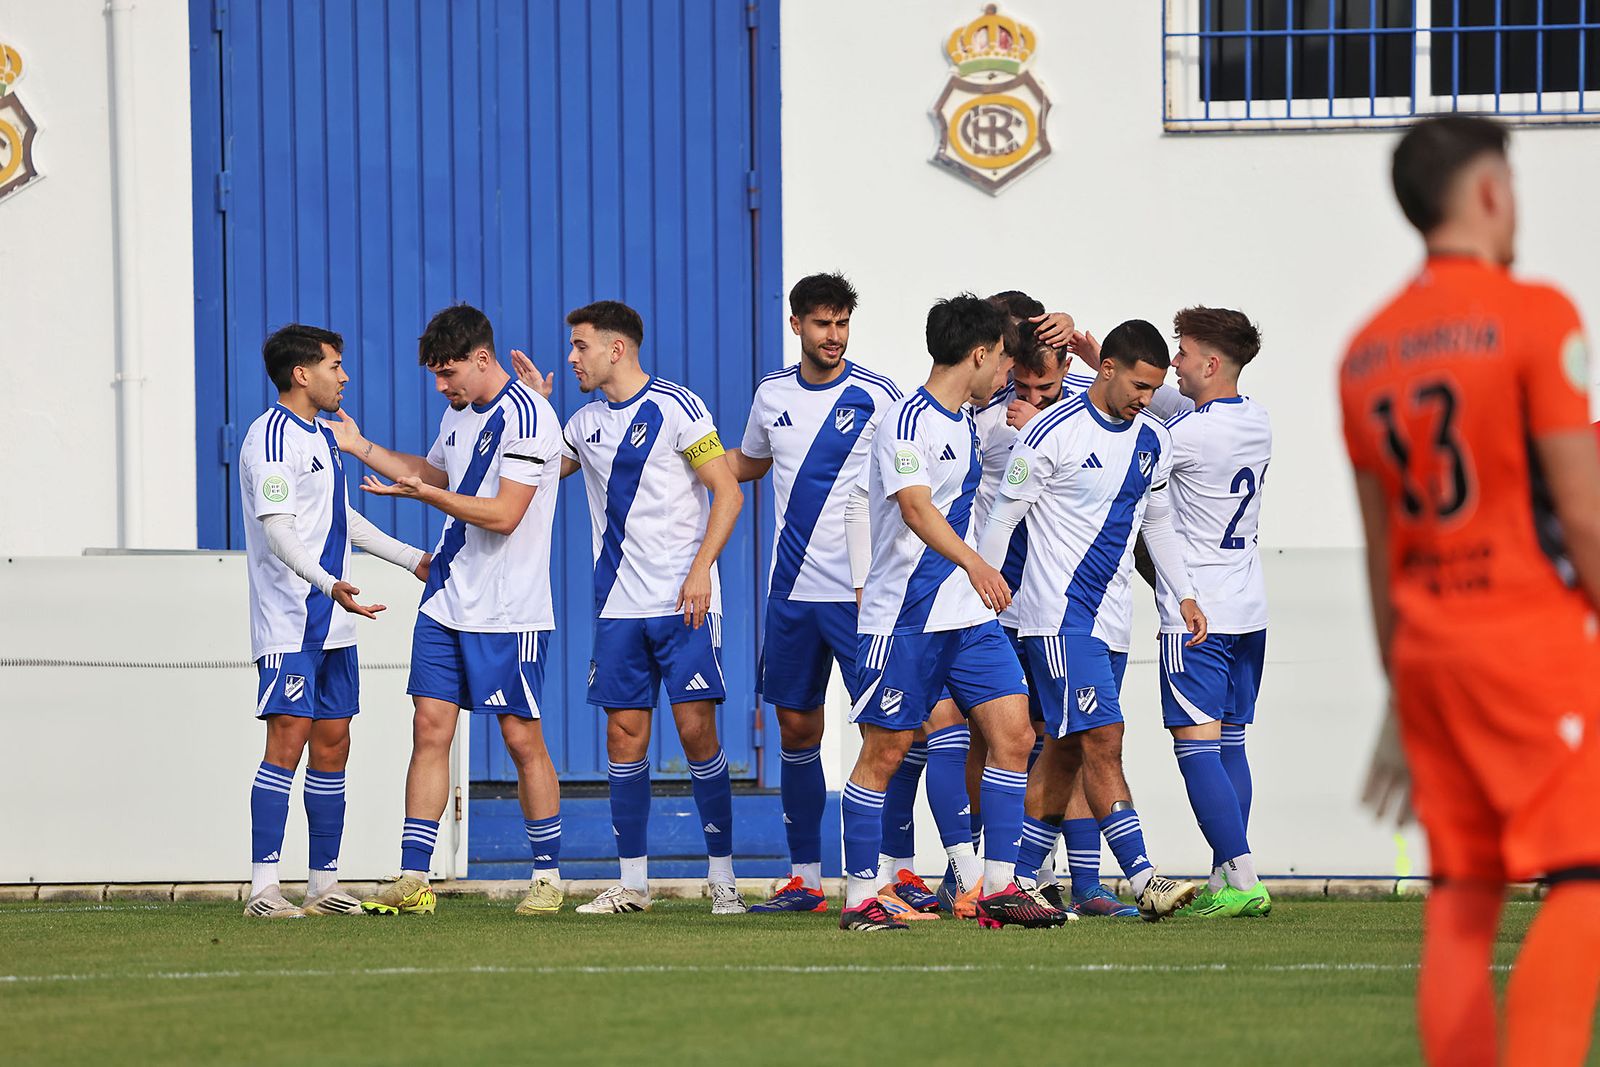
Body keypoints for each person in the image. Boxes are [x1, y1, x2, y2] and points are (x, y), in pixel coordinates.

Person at [1342, 115, 1600, 1067]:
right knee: (1587, 878)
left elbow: (1381, 552)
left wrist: (1399, 692)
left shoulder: (1363, 353)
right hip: (1530, 641)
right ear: (1490, 191)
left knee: (1462, 893)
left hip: (1428, 651)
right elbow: (1583, 514)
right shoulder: (1539, 315)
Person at [837, 293, 1069, 932]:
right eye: (1003, 359)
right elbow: (915, 507)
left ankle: (998, 886)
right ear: (978, 353)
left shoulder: (966, 420)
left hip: (966, 618)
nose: (1008, 373)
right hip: (905, 617)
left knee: (1016, 736)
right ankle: (860, 898)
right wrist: (976, 563)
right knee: (885, 754)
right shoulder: (905, 422)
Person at [331, 304, 566, 918]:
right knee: (429, 729)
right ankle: (413, 877)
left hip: (508, 611)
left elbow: (505, 515)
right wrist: (361, 448)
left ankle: (547, 876)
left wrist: (426, 493)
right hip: (446, 599)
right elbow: (431, 472)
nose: (441, 386)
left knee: (520, 739)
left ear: (482, 358)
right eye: (436, 375)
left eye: (448, 373)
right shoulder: (458, 414)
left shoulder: (531, 416)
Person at [978, 319, 1204, 922]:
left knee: (1067, 751)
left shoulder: (1154, 440)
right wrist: (986, 594)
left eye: (1154, 390)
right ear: (1106, 369)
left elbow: (1157, 523)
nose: (1145, 398)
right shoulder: (1048, 433)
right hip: (1056, 619)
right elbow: (1002, 518)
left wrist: (1183, 594)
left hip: (1111, 623)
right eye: (1138, 384)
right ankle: (1144, 877)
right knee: (1106, 736)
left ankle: (1018, 881)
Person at [556, 300, 748, 915]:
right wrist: (530, 409)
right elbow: (530, 480)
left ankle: (723, 880)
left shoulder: (677, 407)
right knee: (623, 737)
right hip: (617, 607)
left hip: (682, 600)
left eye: (580, 345)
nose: (572, 357)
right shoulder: (581, 424)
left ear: (616, 349)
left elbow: (726, 492)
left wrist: (699, 573)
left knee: (697, 734)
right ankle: (633, 884)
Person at [724, 273, 905, 914]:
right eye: (823, 323)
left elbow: (905, 483)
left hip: (862, 598)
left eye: (842, 323)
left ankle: (891, 872)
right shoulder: (772, 394)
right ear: (797, 325)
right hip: (792, 596)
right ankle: (804, 878)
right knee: (797, 732)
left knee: (891, 730)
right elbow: (745, 463)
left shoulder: (879, 397)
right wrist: (681, 446)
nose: (834, 335)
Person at [238, 324, 429, 918]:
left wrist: (413, 560)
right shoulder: (268, 439)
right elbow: (278, 533)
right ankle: (263, 889)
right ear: (302, 374)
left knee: (333, 742)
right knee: (287, 741)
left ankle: (323, 886)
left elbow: (341, 521)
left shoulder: (320, 434)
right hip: (292, 621)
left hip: (336, 620)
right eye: (334, 365)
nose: (344, 376)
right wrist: (330, 584)